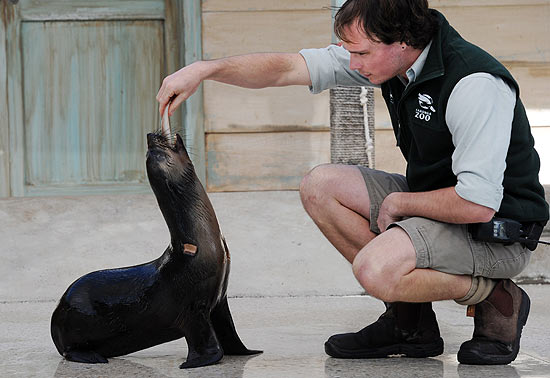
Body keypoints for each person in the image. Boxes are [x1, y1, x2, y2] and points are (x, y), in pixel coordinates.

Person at [157, 0, 548, 365]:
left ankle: (497, 297)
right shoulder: (393, 59)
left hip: (494, 230)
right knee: (321, 186)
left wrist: (400, 205)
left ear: (404, 41)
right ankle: (410, 324)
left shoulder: (473, 83)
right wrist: (205, 70)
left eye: (361, 53)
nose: (353, 62)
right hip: (440, 205)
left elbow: (476, 203)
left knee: (376, 271)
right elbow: (286, 68)